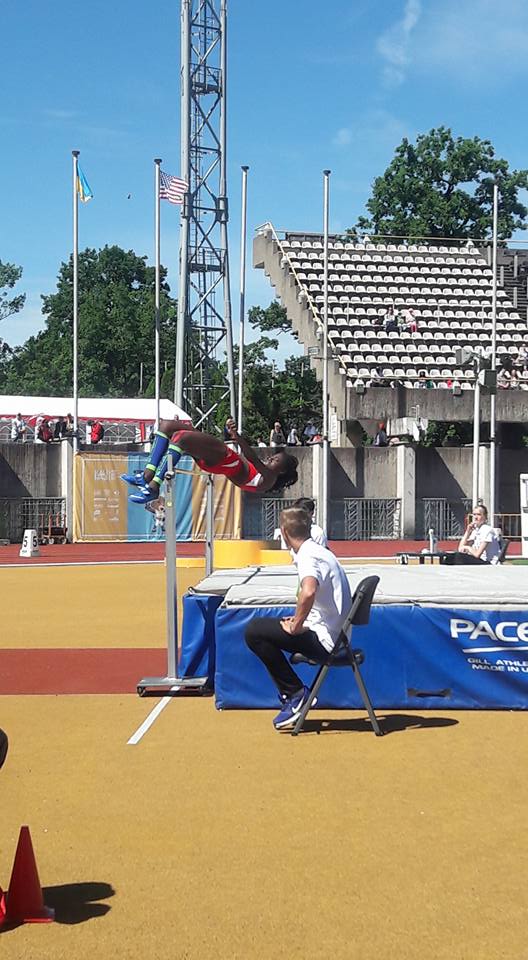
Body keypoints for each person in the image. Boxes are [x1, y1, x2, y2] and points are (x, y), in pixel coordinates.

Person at [245, 507, 352, 731]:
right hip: (335, 634)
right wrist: (299, 620)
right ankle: (294, 693)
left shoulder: (307, 555)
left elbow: (309, 591)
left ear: (284, 532)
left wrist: (297, 626)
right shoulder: (319, 551)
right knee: (269, 627)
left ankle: (295, 693)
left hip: (326, 642)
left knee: (254, 632)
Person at [121, 419, 298, 504]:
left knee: (180, 438)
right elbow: (251, 459)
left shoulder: (269, 479)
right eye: (272, 456)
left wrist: (237, 437)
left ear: (281, 471)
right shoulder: (266, 472)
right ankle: (147, 475)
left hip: (225, 459)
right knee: (167, 426)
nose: (270, 458)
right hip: (221, 457)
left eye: (275, 460)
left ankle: (153, 486)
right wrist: (230, 434)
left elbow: (252, 458)